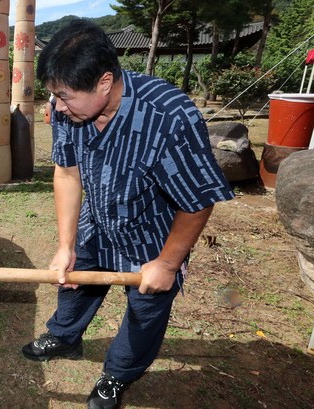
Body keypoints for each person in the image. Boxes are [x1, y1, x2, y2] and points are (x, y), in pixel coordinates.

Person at [21, 19, 235, 409]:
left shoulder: (169, 116)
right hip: (98, 220)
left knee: (144, 311)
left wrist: (168, 264)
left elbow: (198, 199)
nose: (57, 106)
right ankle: (65, 336)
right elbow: (67, 172)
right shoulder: (68, 108)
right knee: (73, 281)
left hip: (153, 235)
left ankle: (118, 374)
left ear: (104, 82)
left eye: (65, 96)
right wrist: (65, 244)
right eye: (54, 95)